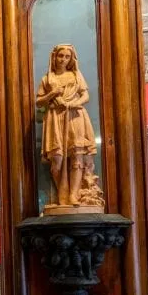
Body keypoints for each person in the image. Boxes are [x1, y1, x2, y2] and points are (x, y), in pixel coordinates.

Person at [36, 43, 103, 210]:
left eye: (67, 56)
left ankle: (73, 193)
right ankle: (62, 193)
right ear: (54, 57)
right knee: (56, 160)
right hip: (55, 118)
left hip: (74, 117)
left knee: (77, 158)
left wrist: (73, 103)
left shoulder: (75, 75)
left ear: (71, 58)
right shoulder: (47, 79)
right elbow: (38, 102)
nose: (63, 60)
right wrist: (52, 94)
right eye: (61, 56)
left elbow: (85, 95)